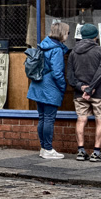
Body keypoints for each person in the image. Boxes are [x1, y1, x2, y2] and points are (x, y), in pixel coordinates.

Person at [26, 21, 70, 159]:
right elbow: (57, 73)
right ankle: (48, 149)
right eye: (67, 32)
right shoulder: (56, 49)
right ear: (62, 33)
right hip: (50, 87)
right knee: (49, 118)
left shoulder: (44, 45)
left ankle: (44, 148)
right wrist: (63, 87)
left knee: (42, 118)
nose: (68, 35)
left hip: (38, 85)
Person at [68, 23, 101, 162]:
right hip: (99, 92)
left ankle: (81, 151)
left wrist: (82, 88)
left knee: (81, 119)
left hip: (80, 93)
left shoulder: (73, 52)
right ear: (96, 36)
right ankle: (96, 152)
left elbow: (70, 76)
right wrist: (90, 88)